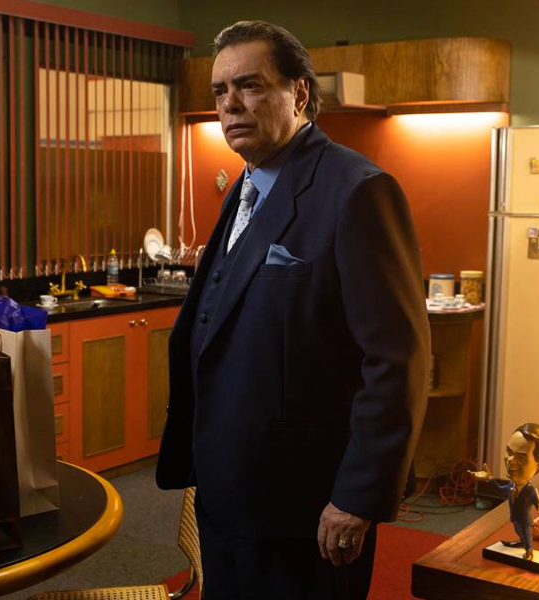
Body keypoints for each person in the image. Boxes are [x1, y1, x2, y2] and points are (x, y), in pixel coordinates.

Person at [156, 20, 430, 600]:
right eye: (220, 91)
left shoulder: (358, 191)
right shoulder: (243, 187)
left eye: (250, 85)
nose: (231, 104)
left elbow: (397, 360)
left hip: (306, 506)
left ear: (299, 93)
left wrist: (357, 496)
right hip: (228, 492)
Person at [469, 423, 539, 561]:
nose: (510, 460)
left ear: (538, 465)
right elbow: (499, 490)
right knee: (518, 530)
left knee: (526, 533)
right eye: (509, 452)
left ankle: (528, 550)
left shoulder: (530, 490)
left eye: (521, 457)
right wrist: (489, 479)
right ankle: (521, 543)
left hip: (525, 521)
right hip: (515, 518)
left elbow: (538, 505)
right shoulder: (511, 485)